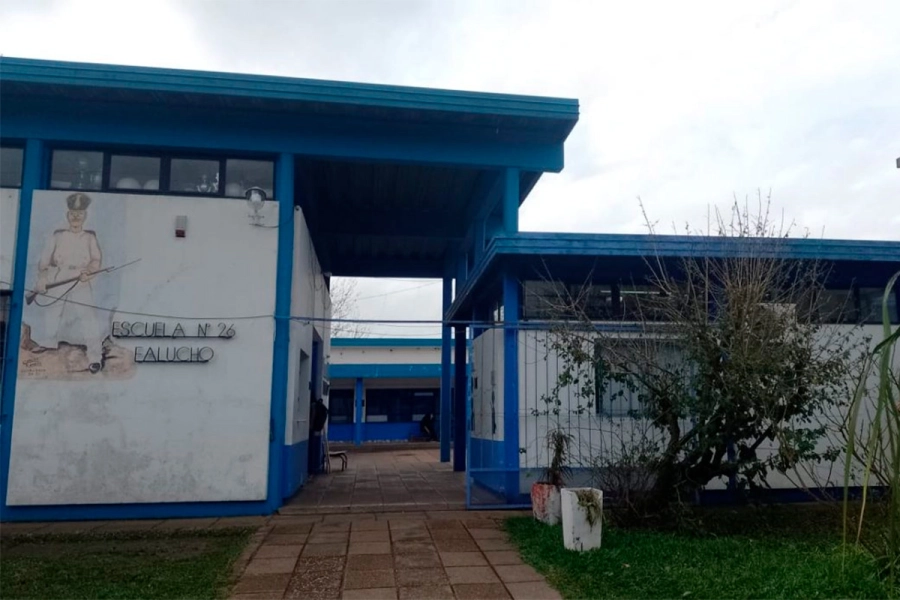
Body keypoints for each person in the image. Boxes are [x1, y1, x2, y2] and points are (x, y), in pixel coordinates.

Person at [29, 192, 104, 374]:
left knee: (88, 318)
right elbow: (44, 262)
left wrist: (90, 272)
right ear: (67, 215)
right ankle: (47, 344)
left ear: (85, 216)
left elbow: (96, 260)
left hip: (81, 278)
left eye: (79, 214)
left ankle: (95, 358)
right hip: (59, 276)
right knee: (52, 312)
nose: (76, 217)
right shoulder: (57, 236)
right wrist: (42, 279)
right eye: (72, 213)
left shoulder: (89, 237)